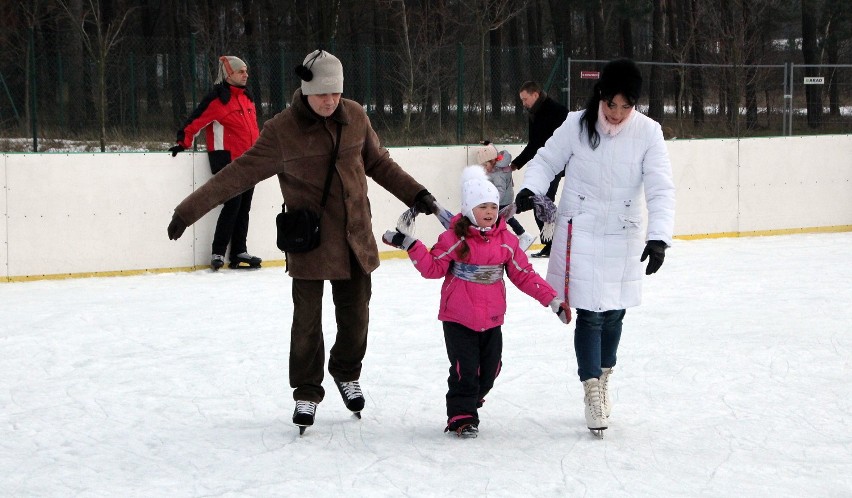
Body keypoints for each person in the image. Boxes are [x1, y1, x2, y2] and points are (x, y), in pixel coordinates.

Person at [166, 49, 441, 434]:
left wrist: (417, 194)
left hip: (354, 237)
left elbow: (378, 163)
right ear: (306, 90)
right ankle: (307, 392)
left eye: (336, 93)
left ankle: (345, 371)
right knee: (307, 324)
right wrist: (187, 211)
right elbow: (239, 174)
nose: (330, 100)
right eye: (322, 93)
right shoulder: (283, 130)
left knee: (357, 317)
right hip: (310, 240)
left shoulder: (356, 117)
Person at [514, 59, 675, 436]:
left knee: (615, 313)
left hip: (623, 231)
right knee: (589, 313)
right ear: (599, 97)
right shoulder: (575, 124)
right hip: (580, 229)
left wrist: (659, 237)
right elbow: (545, 160)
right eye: (611, 104)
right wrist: (531, 188)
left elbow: (661, 186)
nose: (617, 114)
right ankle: (591, 389)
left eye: (626, 106)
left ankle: (604, 377)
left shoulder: (649, 133)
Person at [382, 166, 571, 438]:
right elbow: (432, 268)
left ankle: (471, 399)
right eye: (483, 206)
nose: (490, 212)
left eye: (493, 207)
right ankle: (462, 416)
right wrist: (412, 244)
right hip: (458, 317)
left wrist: (552, 300)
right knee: (464, 369)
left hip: (492, 318)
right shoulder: (453, 238)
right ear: (470, 209)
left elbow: (524, 274)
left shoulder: (506, 241)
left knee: (491, 369)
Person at [168, 55, 262, 271]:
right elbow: (195, 121)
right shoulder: (218, 99)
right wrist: (183, 143)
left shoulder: (248, 98)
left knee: (244, 206)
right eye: (241, 71)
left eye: (246, 70)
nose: (246, 74)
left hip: (250, 160)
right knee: (233, 204)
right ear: (229, 74)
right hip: (227, 161)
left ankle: (238, 251)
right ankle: (218, 252)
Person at [510, 81, 569, 258]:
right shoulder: (534, 113)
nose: (523, 103)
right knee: (540, 203)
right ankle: (551, 244)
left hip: (558, 164)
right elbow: (534, 144)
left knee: (542, 202)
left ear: (535, 95)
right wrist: (515, 164)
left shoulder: (557, 111)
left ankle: (554, 244)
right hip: (544, 164)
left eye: (525, 99)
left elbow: (568, 139)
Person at [476, 141, 535, 251]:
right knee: (506, 219)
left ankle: (522, 235)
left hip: (503, 200)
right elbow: (493, 152)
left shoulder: (498, 173)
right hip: (504, 199)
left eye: (485, 165)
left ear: (492, 161)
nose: (484, 168)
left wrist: (494, 201)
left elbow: (500, 189)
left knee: (500, 220)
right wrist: (488, 143)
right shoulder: (497, 165)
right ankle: (521, 235)